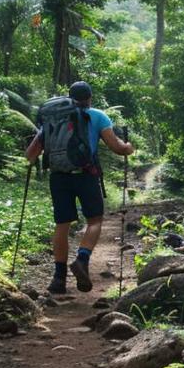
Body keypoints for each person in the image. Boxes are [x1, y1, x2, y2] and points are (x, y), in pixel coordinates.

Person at [25, 81, 134, 294]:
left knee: (62, 224)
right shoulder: (98, 116)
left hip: (58, 177)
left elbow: (30, 155)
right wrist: (128, 148)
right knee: (94, 220)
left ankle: (58, 279)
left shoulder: (54, 117)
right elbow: (117, 147)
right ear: (90, 98)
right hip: (86, 174)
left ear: (69, 97)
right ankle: (82, 259)